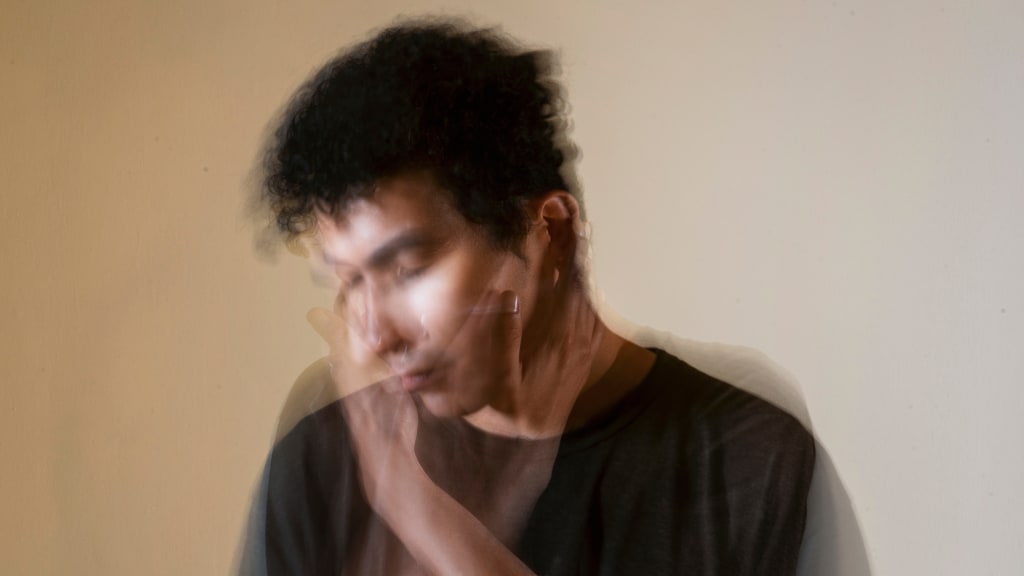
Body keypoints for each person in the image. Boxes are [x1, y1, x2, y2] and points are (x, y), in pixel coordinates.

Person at [241, 18, 815, 576]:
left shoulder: (742, 455)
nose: (377, 334)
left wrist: (419, 511)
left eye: (409, 271)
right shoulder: (319, 461)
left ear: (553, 233)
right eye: (350, 281)